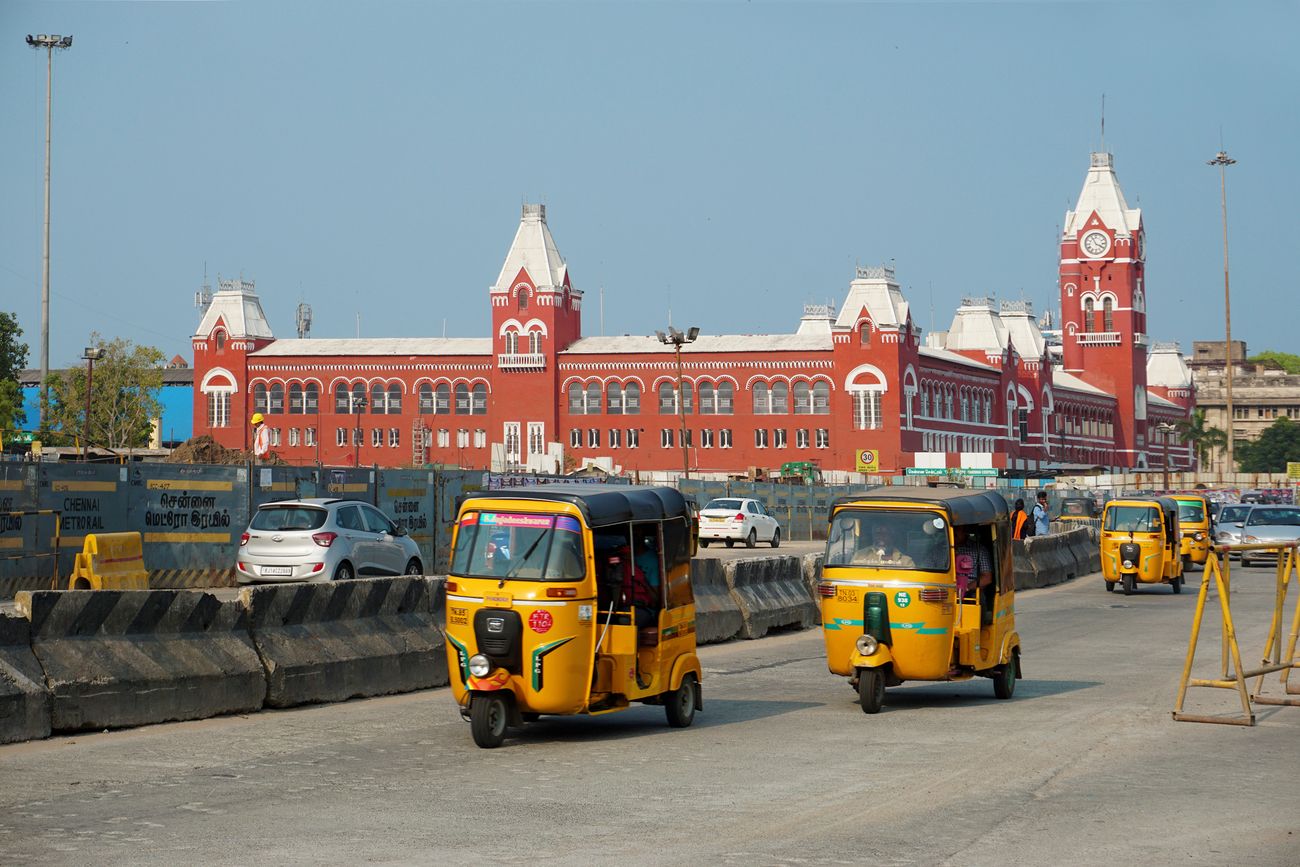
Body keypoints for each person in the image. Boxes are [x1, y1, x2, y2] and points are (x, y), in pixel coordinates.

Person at [954, 525, 995, 626]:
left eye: (957, 529)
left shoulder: (979, 550)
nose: (954, 532)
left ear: (965, 532)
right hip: (945, 590)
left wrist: (967, 588)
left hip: (970, 591)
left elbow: (987, 578)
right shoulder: (939, 549)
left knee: (978, 598)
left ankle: (976, 631)